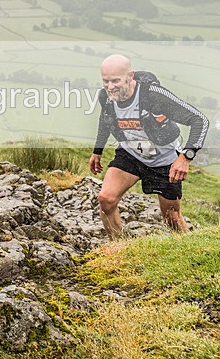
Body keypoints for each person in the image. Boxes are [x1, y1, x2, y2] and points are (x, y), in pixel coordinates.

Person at [89, 54, 208, 239]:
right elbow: (105, 120)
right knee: (106, 199)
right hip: (131, 154)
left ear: (130, 76)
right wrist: (98, 151)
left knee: (171, 218)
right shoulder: (105, 97)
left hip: (164, 159)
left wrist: (185, 157)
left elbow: (199, 120)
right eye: (106, 81)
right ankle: (120, 248)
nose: (110, 86)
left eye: (115, 81)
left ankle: (190, 251)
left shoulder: (153, 95)